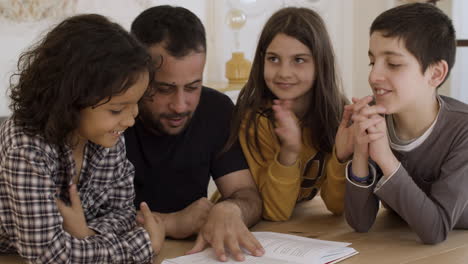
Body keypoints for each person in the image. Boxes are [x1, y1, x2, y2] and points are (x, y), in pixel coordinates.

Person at [0, 14, 164, 263]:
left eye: (136, 104)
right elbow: (47, 253)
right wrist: (142, 244)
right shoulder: (27, 148)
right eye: (117, 110)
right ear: (70, 101)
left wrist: (86, 233)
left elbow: (122, 213)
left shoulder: (108, 137)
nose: (131, 120)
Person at [125, 5, 264, 262]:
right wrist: (172, 222)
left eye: (192, 87)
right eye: (164, 88)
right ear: (137, 74)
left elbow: (246, 194)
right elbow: (81, 222)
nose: (180, 105)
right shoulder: (110, 117)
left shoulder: (217, 109)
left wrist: (231, 208)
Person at [345, 3, 468, 244]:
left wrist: (385, 158)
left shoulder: (462, 130)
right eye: (372, 62)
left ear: (435, 74)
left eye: (393, 64)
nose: (373, 76)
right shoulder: (375, 119)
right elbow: (360, 223)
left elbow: (436, 230)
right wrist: (360, 151)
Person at [223, 7, 353, 222]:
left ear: (320, 64)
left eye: (299, 60)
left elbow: (337, 206)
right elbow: (274, 211)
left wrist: (341, 156)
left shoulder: (336, 112)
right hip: (243, 223)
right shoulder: (256, 120)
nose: (284, 72)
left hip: (295, 226)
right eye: (274, 59)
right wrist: (289, 151)